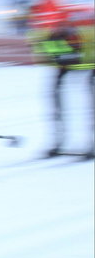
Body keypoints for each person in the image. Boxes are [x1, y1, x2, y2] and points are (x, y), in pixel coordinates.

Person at [36, 11, 95, 159]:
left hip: (86, 64)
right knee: (57, 103)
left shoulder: (75, 34)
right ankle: (59, 141)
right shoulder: (51, 37)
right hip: (73, 65)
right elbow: (58, 58)